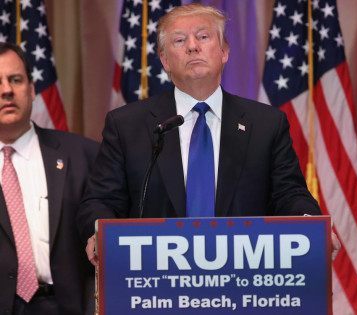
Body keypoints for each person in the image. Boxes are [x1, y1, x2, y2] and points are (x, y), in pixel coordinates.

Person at [78, 3, 338, 266]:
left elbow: (289, 194)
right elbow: (101, 200)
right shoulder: (127, 125)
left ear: (224, 51)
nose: (193, 46)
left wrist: (310, 227)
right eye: (180, 40)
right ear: (165, 60)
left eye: (203, 36)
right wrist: (99, 230)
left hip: (243, 278)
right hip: (155, 279)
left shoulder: (266, 124)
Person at [0, 42, 99, 315]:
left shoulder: (83, 155)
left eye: (16, 80)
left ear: (32, 90)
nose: (7, 90)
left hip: (66, 306)